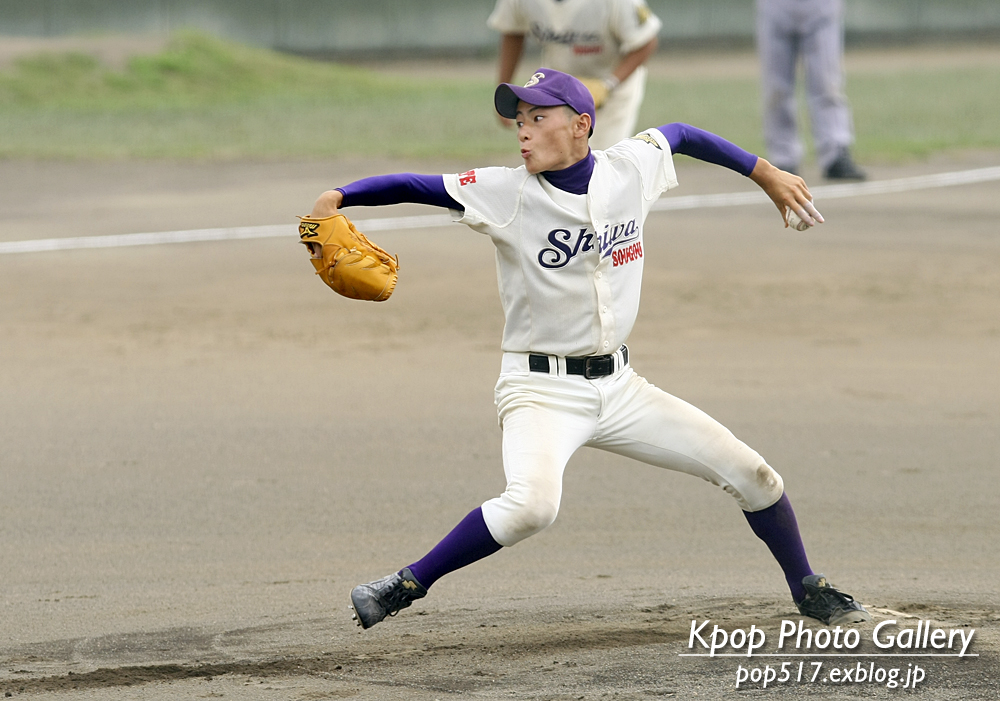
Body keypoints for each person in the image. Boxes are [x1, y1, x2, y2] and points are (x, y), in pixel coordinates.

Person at [308, 68, 871, 631]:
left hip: (623, 390)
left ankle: (807, 588)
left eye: (537, 118)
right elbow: (415, 185)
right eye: (519, 120)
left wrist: (765, 173)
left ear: (581, 126)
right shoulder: (504, 192)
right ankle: (406, 583)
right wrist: (339, 196)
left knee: (755, 475)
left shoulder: (629, 169)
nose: (522, 131)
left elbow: (680, 133)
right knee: (532, 507)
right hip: (540, 390)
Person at [488, 0, 661, 150]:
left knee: (602, 160)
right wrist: (504, 88)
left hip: (613, 88)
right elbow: (513, 31)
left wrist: (607, 85)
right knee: (553, 159)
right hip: (557, 87)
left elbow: (646, 42)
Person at [756, 0, 866, 180]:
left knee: (827, 83)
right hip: (776, 7)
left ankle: (835, 152)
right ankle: (783, 158)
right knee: (776, 89)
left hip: (820, 7)